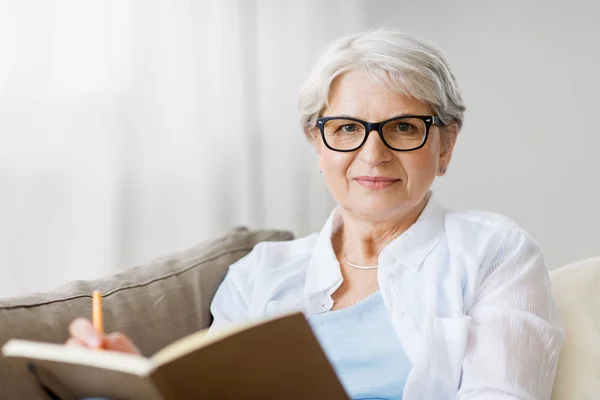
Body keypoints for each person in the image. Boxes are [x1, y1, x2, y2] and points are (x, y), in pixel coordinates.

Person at [68, 28, 565, 399]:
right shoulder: (260, 273)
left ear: (445, 145)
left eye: (404, 127)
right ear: (317, 143)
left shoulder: (494, 251)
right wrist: (136, 383)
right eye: (347, 129)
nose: (373, 154)